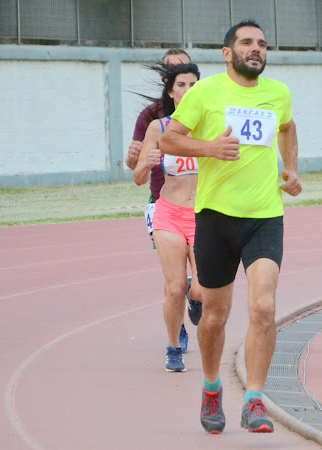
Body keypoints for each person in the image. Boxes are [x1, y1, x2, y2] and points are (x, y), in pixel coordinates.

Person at [159, 20, 302, 433]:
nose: (256, 48)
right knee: (215, 317)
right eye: (247, 43)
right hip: (215, 218)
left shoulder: (278, 93)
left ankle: (254, 399)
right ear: (227, 53)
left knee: (264, 307)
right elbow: (169, 140)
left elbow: (287, 128)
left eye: (262, 44)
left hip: (264, 216)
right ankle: (211, 387)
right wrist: (209, 148)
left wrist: (291, 168)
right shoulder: (204, 93)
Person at [126, 49, 202, 351]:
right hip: (164, 206)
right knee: (174, 287)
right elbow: (135, 168)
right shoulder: (154, 120)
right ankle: (175, 339)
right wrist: (141, 160)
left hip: (203, 213)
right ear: (168, 87)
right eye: (180, 83)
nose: (187, 89)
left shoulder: (211, 124)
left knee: (201, 289)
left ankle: (194, 297)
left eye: (193, 84)